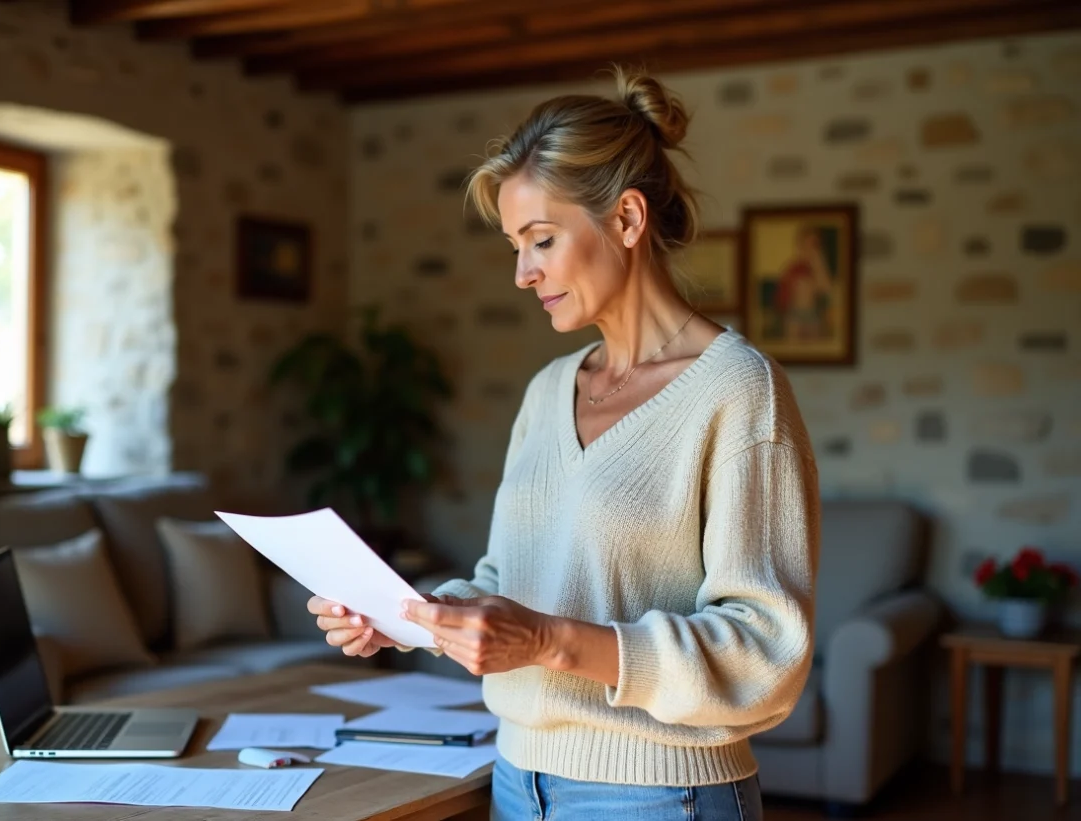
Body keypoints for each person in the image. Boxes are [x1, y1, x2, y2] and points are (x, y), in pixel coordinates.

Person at [308, 67, 819, 820]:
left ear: (627, 219)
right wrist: (403, 615)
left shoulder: (740, 391)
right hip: (517, 778)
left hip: (663, 795)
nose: (522, 273)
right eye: (516, 245)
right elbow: (503, 579)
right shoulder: (548, 390)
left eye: (541, 239)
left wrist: (548, 640)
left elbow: (765, 653)